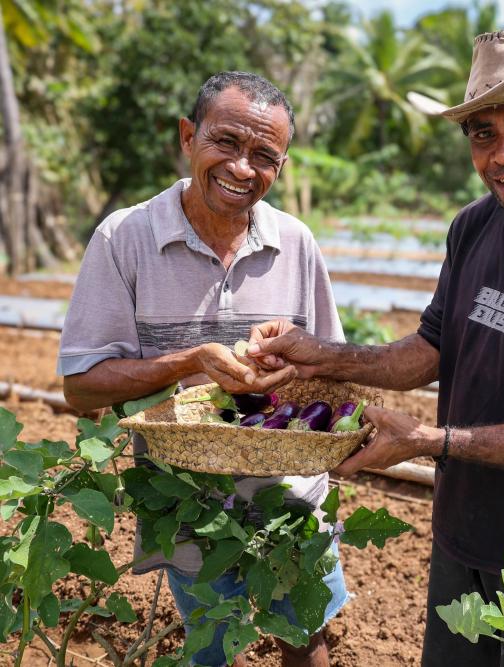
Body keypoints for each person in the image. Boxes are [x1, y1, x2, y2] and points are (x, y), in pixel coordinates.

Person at [248, 29, 504, 665]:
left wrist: (434, 442)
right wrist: (317, 352)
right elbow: (432, 349)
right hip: (462, 530)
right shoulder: (474, 225)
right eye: (484, 134)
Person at [58, 71, 347, 667]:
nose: (243, 168)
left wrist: (286, 368)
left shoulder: (296, 242)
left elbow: (332, 380)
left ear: (281, 166)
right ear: (189, 137)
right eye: (227, 143)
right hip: (187, 508)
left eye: (264, 155)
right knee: (212, 648)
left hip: (291, 500)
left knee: (307, 636)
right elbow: (82, 388)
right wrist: (193, 361)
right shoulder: (126, 238)